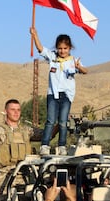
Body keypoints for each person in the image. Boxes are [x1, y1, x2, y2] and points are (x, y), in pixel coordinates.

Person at [30, 27, 88, 156]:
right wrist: (35, 35)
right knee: (50, 120)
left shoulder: (73, 61)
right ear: (56, 48)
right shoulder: (52, 57)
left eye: (65, 48)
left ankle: (62, 145)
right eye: (60, 48)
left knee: (62, 122)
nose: (62, 51)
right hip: (53, 94)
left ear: (70, 48)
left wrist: (79, 67)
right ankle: (45, 145)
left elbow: (85, 71)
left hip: (66, 95)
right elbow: (40, 49)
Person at [0, 99, 41, 200]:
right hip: (4, 175)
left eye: (18, 110)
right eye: (13, 109)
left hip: (25, 175)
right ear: (6, 111)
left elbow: (47, 135)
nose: (16, 112)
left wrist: (60, 123)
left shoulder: (27, 131)